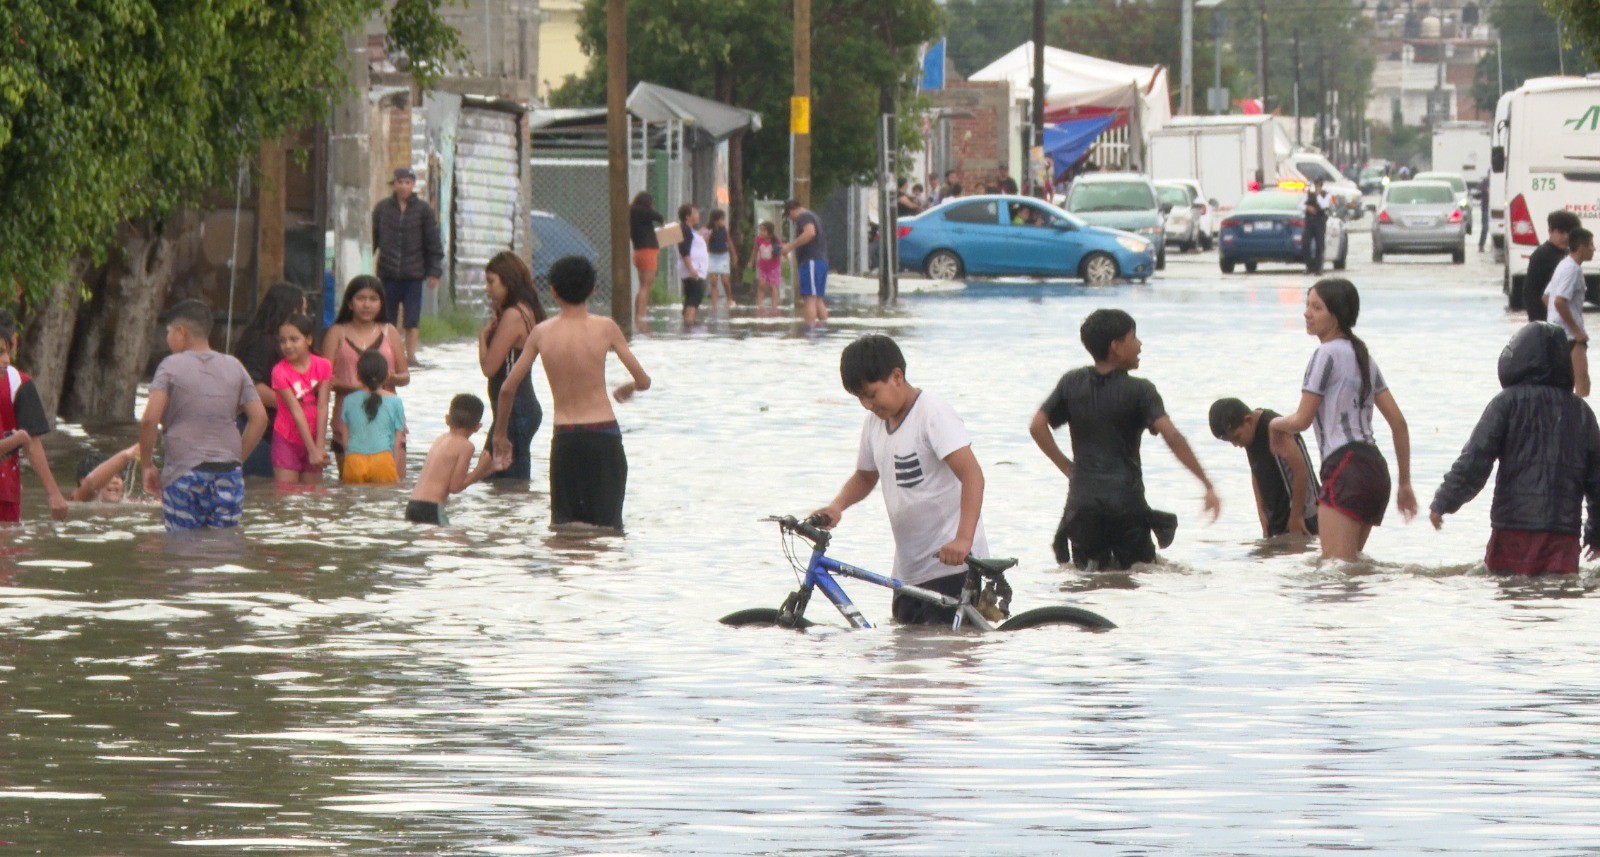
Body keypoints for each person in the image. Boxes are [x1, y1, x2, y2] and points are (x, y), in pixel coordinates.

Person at [813, 335, 988, 625]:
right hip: (908, 573)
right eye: (859, 398)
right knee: (908, 652)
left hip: (952, 567)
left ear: (897, 377)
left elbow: (973, 476)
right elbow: (865, 476)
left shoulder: (932, 413)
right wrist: (837, 506)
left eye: (871, 394)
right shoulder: (875, 423)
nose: (867, 405)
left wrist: (963, 540)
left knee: (949, 652)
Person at [1028, 309, 1221, 570]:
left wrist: (1068, 468)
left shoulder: (1071, 383)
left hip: (1083, 504)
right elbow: (1173, 437)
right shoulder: (1140, 391)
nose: (1140, 345)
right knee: (1138, 575)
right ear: (1116, 347)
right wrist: (1206, 483)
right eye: (1133, 338)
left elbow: (1037, 426)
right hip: (1125, 503)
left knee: (1088, 577)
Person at [491, 256, 651, 531]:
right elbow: (644, 380)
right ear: (593, 290)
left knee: (565, 530)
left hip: (566, 437)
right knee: (608, 531)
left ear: (553, 291)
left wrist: (500, 435)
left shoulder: (541, 333)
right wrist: (629, 387)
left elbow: (507, 388)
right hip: (604, 436)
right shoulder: (606, 328)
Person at [1430, 322, 1600, 574]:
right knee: (1557, 593)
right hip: (1562, 533)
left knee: (1510, 591)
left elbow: (1475, 459)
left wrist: (1444, 501)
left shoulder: (1505, 403)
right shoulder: (1583, 413)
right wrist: (1595, 534)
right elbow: (1596, 481)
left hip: (1512, 529)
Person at [1269, 279, 1417, 562]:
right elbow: (1399, 424)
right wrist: (1405, 483)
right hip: (1375, 471)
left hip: (1345, 468)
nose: (1306, 313)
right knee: (1351, 569)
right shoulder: (1365, 359)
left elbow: (1301, 420)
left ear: (1335, 315)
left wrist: (1274, 424)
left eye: (1317, 307)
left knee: (1334, 571)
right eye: (1307, 305)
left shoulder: (1325, 354)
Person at [139, 300, 270, 531]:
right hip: (229, 474)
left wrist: (147, 465)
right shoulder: (235, 366)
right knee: (223, 545)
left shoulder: (170, 366)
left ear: (181, 332)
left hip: (184, 473)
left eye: (168, 332)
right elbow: (260, 418)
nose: (167, 339)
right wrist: (237, 460)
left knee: (182, 546)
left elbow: (150, 419)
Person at [322, 276, 408, 471]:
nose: (367, 304)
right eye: (361, 298)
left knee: (393, 484)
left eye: (373, 299)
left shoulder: (390, 332)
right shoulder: (337, 332)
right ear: (350, 303)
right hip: (348, 420)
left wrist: (389, 378)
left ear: (381, 303)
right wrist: (357, 388)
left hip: (387, 421)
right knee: (350, 485)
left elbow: (405, 376)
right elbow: (324, 378)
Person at [478, 251, 547, 480]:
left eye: (491, 282)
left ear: (508, 281)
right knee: (510, 483)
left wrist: (482, 338)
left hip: (514, 410)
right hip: (519, 407)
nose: (487, 288)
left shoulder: (514, 315)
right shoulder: (525, 310)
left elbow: (489, 367)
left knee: (500, 481)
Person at [1208, 398, 1319, 538]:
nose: (1236, 444)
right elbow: (1255, 473)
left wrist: (1296, 516)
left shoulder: (1275, 428)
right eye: (1230, 441)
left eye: (1236, 438)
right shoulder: (1248, 435)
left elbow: (1301, 471)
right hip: (1277, 518)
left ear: (1248, 420)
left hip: (1304, 515)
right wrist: (1261, 512)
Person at [0, 310, 68, 522]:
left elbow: (30, 441)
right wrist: (53, 493)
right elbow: (32, 442)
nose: (5, 359)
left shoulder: (18, 383)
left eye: (4, 352)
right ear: (14, 339)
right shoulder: (19, 382)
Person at [371, 166, 443, 363]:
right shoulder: (382, 209)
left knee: (412, 318)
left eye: (407, 182)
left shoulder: (423, 211)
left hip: (414, 273)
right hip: (388, 272)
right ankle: (388, 354)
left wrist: (434, 271)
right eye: (400, 182)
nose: (403, 186)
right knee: (387, 317)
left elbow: (433, 242)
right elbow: (372, 238)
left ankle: (410, 355)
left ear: (413, 185)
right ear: (394, 185)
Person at [233, 283, 305, 477]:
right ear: (289, 311)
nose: (305, 318)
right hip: (258, 433)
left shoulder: (269, 340)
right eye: (302, 311)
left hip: (272, 432)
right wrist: (294, 404)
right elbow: (252, 387)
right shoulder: (263, 342)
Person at [406, 394, 496, 526]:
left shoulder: (440, 439)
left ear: (447, 419)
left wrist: (489, 470)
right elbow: (455, 487)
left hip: (412, 505)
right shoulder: (466, 446)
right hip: (431, 508)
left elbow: (443, 478)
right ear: (478, 426)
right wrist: (480, 469)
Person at [270, 314, 332, 485]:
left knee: (313, 495)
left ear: (309, 340)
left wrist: (319, 446)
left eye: (294, 339)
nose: (288, 346)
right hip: (287, 439)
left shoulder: (324, 366)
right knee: (287, 494)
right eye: (283, 341)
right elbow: (295, 410)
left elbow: (323, 406)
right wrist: (312, 450)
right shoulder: (279, 372)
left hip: (314, 438)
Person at [1543, 226, 1595, 397]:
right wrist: (1577, 330)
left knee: (1562, 384)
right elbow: (1559, 301)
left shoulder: (1563, 265)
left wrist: (1554, 319)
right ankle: (1578, 415)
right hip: (1570, 337)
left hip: (1555, 334)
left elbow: (1546, 297)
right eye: (1591, 245)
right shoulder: (1572, 269)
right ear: (1581, 247)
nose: (1594, 249)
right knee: (1583, 384)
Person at [341, 350, 407, 484]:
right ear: (387, 375)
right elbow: (398, 442)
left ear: (358, 375)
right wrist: (394, 467)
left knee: (353, 496)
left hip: (354, 459)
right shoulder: (395, 401)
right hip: (383, 460)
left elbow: (345, 439)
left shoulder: (348, 400)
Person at [1524, 210, 1581, 321]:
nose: (1566, 237)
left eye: (1570, 233)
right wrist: (1539, 321)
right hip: (1546, 319)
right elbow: (1530, 291)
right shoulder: (1542, 255)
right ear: (1550, 231)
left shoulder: (1567, 254)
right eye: (1561, 232)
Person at [782, 198, 829, 326]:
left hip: (811, 261)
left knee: (809, 299)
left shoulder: (803, 217)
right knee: (817, 299)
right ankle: (823, 328)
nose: (792, 221)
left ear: (791, 211)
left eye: (789, 217)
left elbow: (810, 233)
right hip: (820, 261)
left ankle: (809, 331)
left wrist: (789, 247)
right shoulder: (814, 216)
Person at [629, 192, 665, 328]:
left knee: (642, 285)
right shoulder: (643, 212)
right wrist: (662, 223)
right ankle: (641, 316)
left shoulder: (632, 212)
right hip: (648, 251)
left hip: (638, 251)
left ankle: (638, 314)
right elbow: (658, 216)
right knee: (646, 286)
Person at [71, 444, 141, 503]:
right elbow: (90, 484)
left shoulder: (131, 503)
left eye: (118, 476)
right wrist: (126, 455)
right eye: (109, 476)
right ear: (83, 481)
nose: (115, 481)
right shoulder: (77, 500)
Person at [676, 204, 709, 326]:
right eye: (695, 213)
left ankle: (687, 322)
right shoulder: (685, 230)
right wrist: (691, 269)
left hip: (693, 268)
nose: (698, 215)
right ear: (687, 217)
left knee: (691, 296)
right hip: (693, 268)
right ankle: (689, 322)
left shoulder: (689, 230)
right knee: (695, 296)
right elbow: (684, 250)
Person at [705, 208, 737, 313]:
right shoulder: (708, 230)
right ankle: (714, 304)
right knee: (713, 281)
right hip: (712, 256)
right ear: (715, 220)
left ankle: (729, 298)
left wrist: (734, 254)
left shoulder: (724, 229)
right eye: (721, 219)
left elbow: (729, 241)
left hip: (723, 256)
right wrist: (706, 254)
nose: (722, 221)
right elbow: (705, 243)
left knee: (725, 280)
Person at [1303, 177, 1332, 275]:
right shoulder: (1309, 194)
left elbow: (1324, 205)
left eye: (1319, 185)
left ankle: (1318, 268)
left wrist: (1318, 195)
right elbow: (1300, 204)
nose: (1317, 186)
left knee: (1320, 245)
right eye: (1316, 184)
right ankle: (1309, 267)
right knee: (1306, 243)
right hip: (1309, 221)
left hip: (1320, 221)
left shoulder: (1326, 194)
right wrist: (1307, 207)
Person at [754, 221, 783, 313]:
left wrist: (785, 256)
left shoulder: (776, 242)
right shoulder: (758, 240)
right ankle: (760, 304)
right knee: (761, 285)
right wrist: (751, 261)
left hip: (774, 267)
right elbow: (755, 250)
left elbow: (781, 251)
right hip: (763, 267)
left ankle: (774, 306)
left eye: (763, 230)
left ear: (770, 233)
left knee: (773, 286)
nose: (761, 232)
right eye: (760, 230)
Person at [1477, 174, 1491, 252]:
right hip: (1485, 208)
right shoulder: (1486, 182)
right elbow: (1486, 190)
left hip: (1489, 207)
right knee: (1485, 227)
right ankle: (1481, 245)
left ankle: (1482, 245)